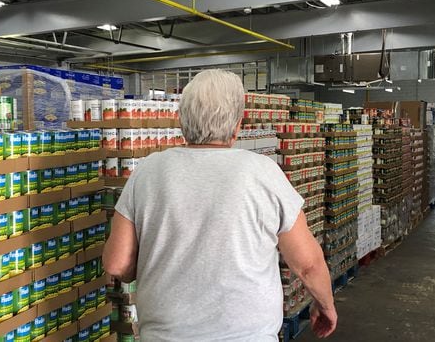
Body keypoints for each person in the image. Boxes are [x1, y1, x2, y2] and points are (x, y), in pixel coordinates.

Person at [103, 69, 337, 341]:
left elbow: (117, 263)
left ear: (181, 120)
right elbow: (308, 264)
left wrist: (151, 268)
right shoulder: (263, 172)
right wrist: (326, 305)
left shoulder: (147, 171)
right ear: (237, 125)